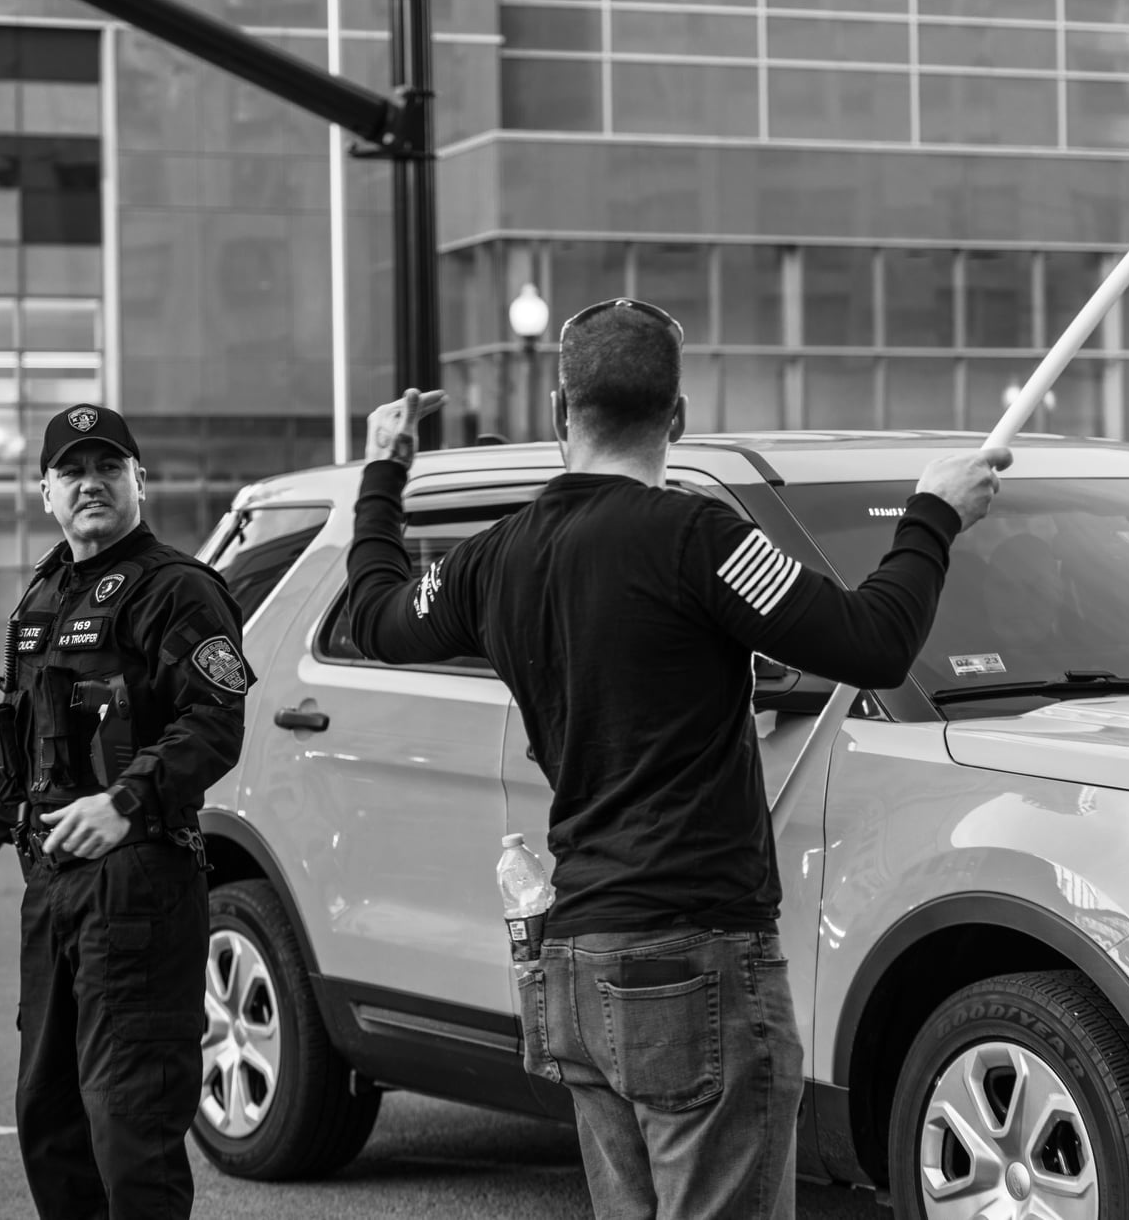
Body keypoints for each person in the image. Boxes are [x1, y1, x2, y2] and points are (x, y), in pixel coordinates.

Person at [344, 298, 1007, 1220]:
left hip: (572, 959)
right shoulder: (698, 539)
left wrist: (384, 469)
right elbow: (870, 641)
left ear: (558, 409)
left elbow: (374, 616)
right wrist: (931, 515)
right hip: (691, 959)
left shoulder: (491, 559)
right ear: (679, 416)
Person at [0, 403, 253, 1220]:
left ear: (139, 480)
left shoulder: (176, 588)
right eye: (72, 471)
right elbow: (19, 736)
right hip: (52, 883)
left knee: (130, 1122)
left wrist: (126, 800)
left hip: (137, 881)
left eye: (109, 467)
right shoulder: (45, 592)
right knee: (51, 1120)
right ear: (44, 490)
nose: (91, 484)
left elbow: (214, 723)